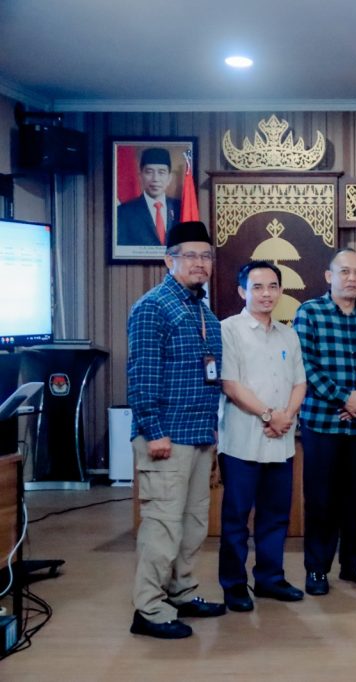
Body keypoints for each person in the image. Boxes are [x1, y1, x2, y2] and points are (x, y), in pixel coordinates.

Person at [126, 220, 224, 639]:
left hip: (199, 434)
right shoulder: (153, 307)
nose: (200, 263)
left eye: (206, 256)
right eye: (190, 256)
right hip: (166, 436)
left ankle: (181, 592)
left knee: (193, 524)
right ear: (169, 260)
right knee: (163, 525)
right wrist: (154, 431)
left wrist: (212, 434)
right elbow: (141, 375)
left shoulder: (203, 311)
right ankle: (148, 609)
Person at [293, 248, 356, 596]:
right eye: (344, 271)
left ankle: (353, 564)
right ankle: (317, 569)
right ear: (328, 276)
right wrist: (344, 398)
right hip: (323, 423)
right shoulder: (310, 312)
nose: (352, 278)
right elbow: (305, 365)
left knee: (355, 498)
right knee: (321, 499)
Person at [218, 260, 307, 612]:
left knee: (276, 516)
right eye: (257, 287)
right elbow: (231, 384)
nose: (266, 294)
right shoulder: (229, 330)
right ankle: (234, 585)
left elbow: (300, 383)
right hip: (242, 441)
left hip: (281, 441)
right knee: (236, 519)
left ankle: (270, 578)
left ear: (281, 291)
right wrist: (270, 415)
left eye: (272, 286)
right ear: (243, 291)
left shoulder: (289, 334)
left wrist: (285, 417)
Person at [117, 147, 182, 247]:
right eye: (149, 172)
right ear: (140, 176)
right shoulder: (124, 212)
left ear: (169, 178)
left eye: (161, 172)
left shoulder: (180, 208)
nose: (155, 179)